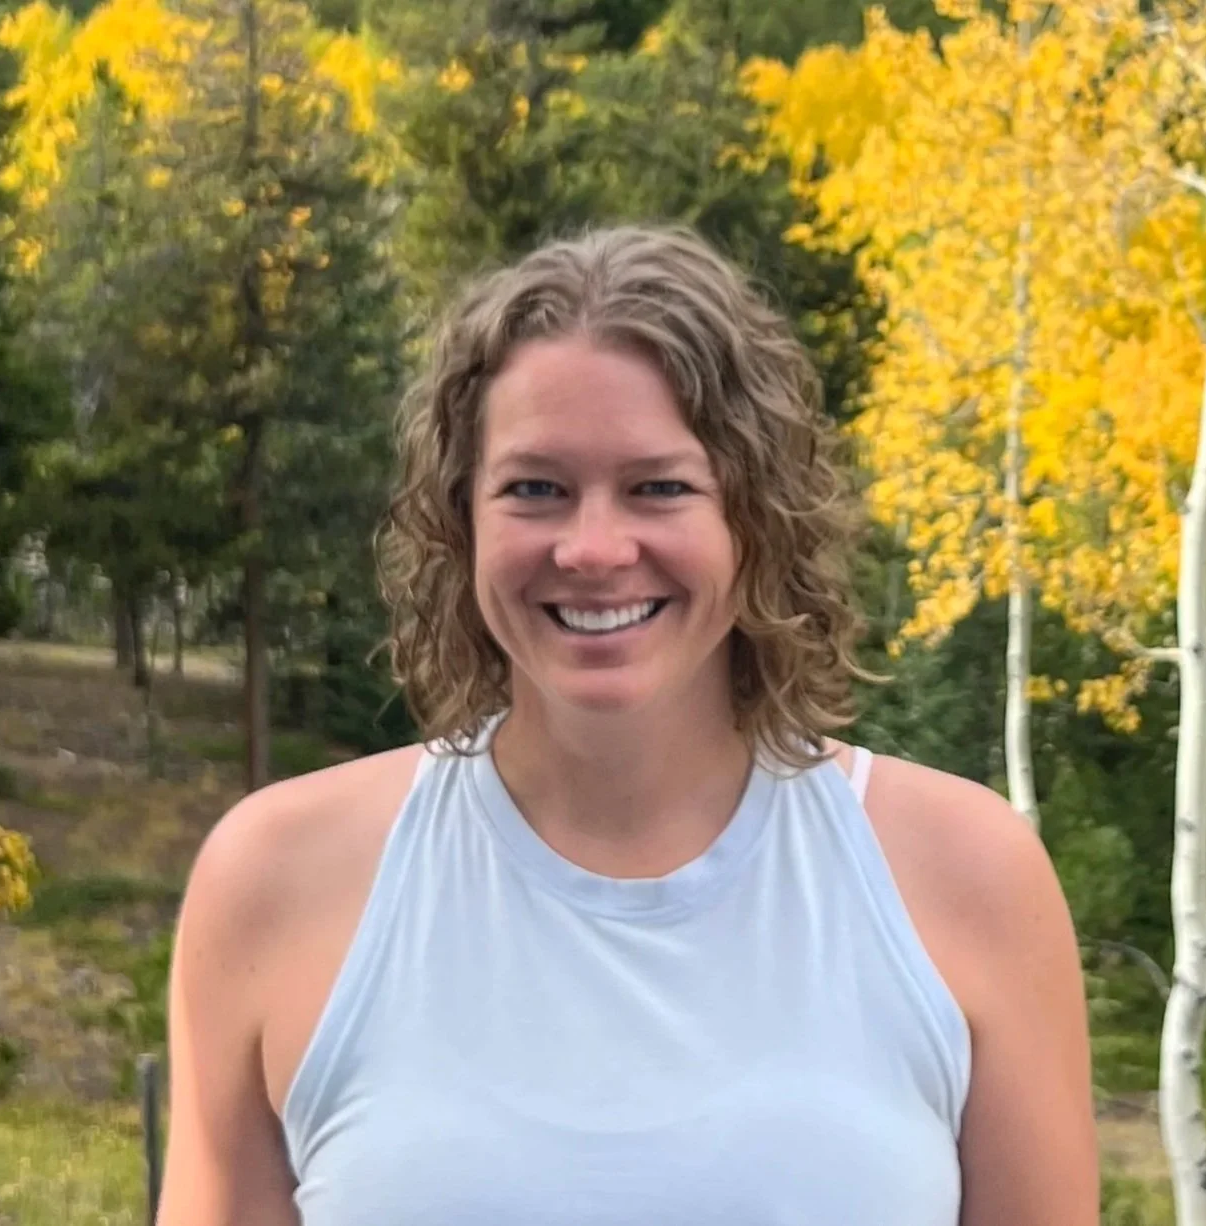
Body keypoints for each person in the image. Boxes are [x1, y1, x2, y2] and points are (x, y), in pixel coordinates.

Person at [157, 225, 1098, 1225]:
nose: (594, 547)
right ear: (457, 515)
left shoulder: (966, 874)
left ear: (756, 516)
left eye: (659, 486)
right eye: (535, 489)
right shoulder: (274, 879)